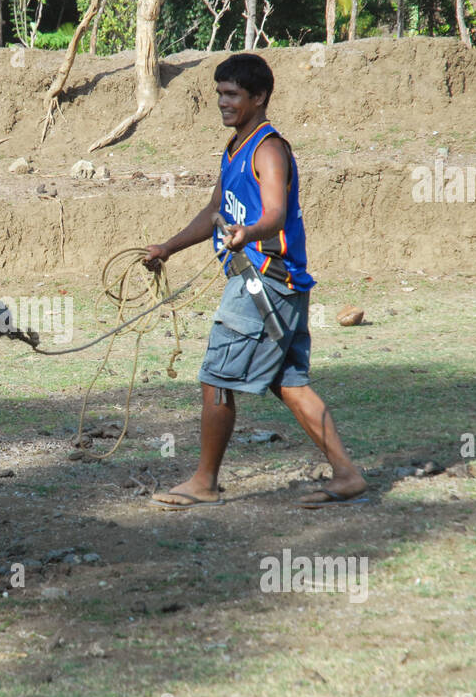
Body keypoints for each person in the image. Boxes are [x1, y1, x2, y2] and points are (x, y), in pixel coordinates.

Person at [142, 53, 366, 509]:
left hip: (263, 281)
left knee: (217, 379)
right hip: (276, 285)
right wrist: (167, 247)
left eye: (232, 95)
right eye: (220, 93)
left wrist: (249, 233)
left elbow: (275, 214)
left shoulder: (267, 148)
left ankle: (204, 482)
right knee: (290, 382)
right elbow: (213, 214)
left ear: (259, 97)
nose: (223, 102)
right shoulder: (234, 148)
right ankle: (347, 475)